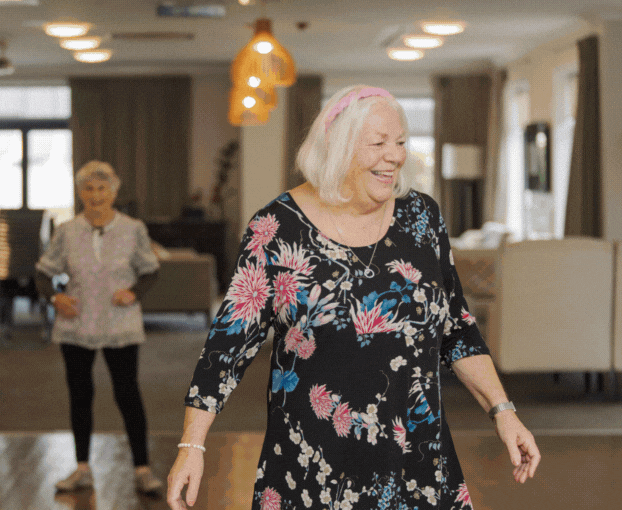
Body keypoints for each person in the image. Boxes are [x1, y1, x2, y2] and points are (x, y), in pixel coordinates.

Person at [167, 86, 540, 509]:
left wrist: (503, 412)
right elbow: (227, 345)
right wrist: (191, 446)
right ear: (336, 147)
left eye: (399, 142)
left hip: (417, 463)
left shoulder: (422, 217)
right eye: (378, 143)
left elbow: (457, 327)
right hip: (314, 471)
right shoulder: (277, 228)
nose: (394, 156)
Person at [35, 160, 164, 494]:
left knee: (127, 394)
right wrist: (55, 298)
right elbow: (43, 273)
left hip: (119, 324)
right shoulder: (66, 231)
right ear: (80, 193)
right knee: (80, 395)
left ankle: (142, 469)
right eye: (89, 189)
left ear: (113, 191)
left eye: (102, 189)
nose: (96, 196)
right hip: (76, 324)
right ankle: (81, 468)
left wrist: (134, 292)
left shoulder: (133, 229)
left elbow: (150, 270)